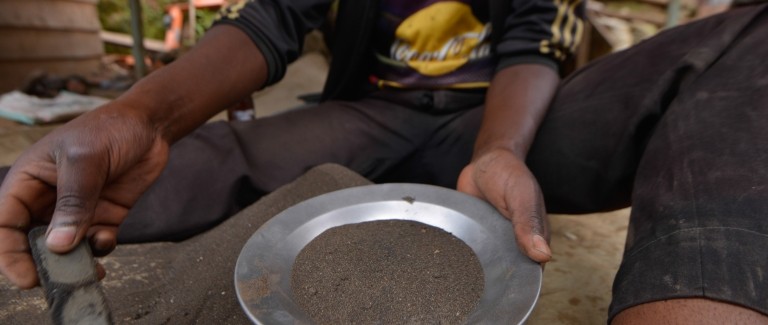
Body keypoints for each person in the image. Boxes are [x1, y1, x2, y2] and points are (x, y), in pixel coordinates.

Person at [0, 0, 766, 324]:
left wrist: (498, 150)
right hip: (367, 115)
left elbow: (535, 40)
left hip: (508, 125)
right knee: (119, 176)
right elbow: (272, 21)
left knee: (750, 34)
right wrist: (142, 114)